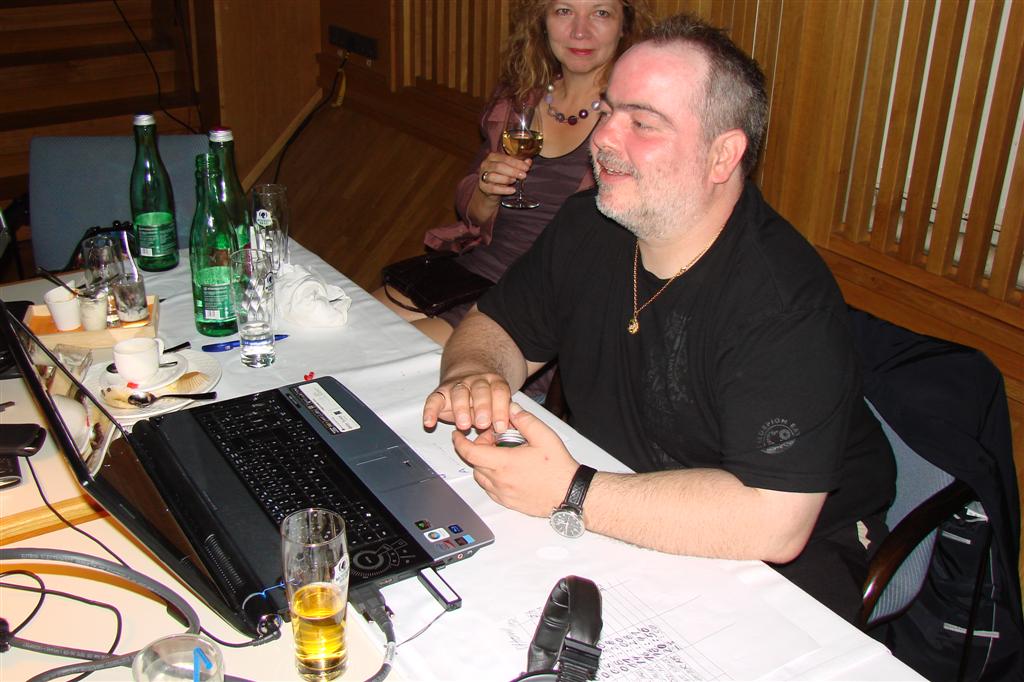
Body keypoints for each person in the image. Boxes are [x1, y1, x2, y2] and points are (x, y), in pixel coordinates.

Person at [422, 14, 896, 622]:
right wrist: (475, 374)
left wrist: (571, 490)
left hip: (772, 570)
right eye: (608, 110)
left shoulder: (783, 301)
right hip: (619, 512)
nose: (603, 137)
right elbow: (497, 326)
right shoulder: (591, 223)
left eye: (642, 123)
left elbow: (775, 522)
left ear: (723, 155)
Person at [374, 0, 654, 348]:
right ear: (543, 20)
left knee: (390, 352)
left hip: (540, 299)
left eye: (600, 13)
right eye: (564, 11)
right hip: (475, 271)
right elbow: (472, 213)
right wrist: (486, 191)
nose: (580, 31)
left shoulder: (636, 121)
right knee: (354, 326)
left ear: (624, 25)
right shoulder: (519, 98)